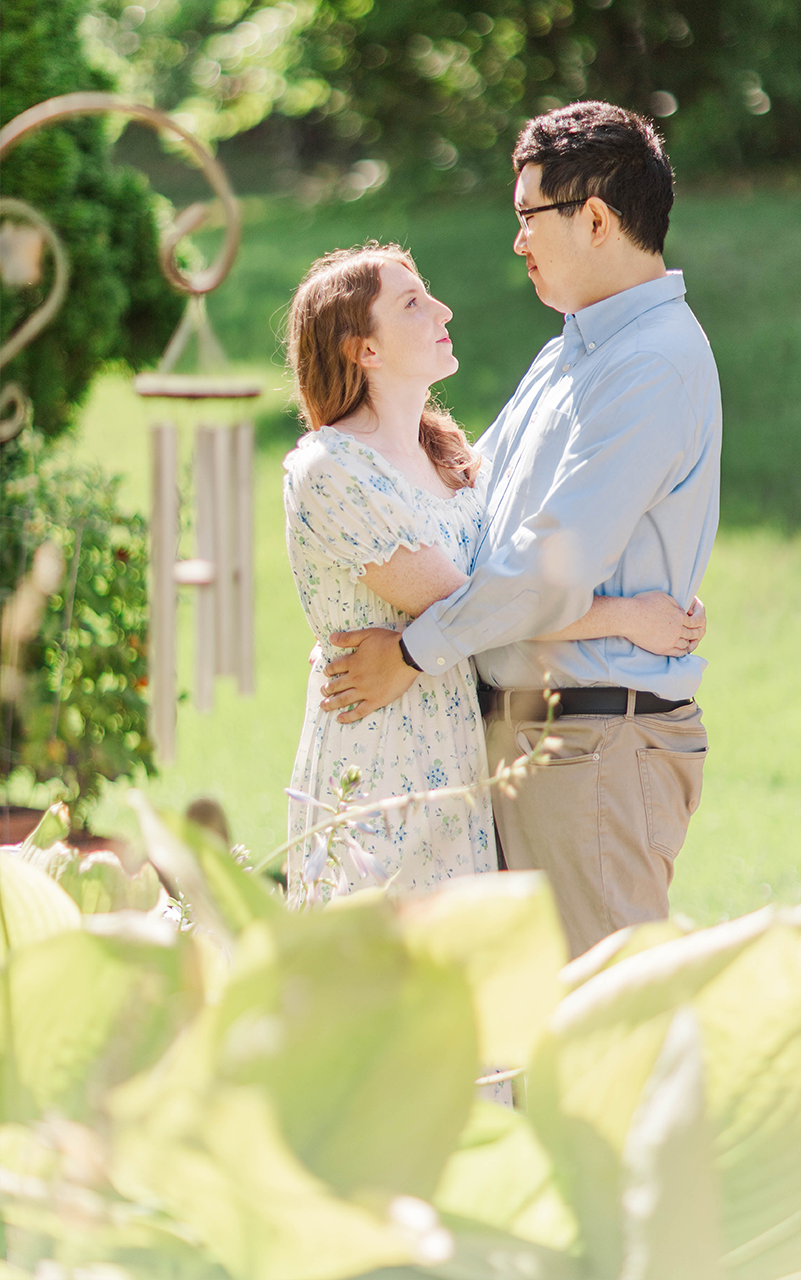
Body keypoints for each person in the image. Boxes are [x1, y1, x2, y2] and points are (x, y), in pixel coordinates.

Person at [314, 102, 721, 959]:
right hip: (528, 741)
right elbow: (477, 523)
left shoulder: (652, 365)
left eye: (528, 215)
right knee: (533, 1048)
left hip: (592, 749)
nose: (517, 240)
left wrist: (416, 649)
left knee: (608, 1043)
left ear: (598, 219)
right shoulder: (572, 352)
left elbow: (544, 569)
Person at [282, 241, 703, 905]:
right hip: (383, 754)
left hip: (458, 750)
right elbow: (470, 604)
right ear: (364, 348)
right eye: (413, 303)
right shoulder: (330, 471)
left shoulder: (448, 453)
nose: (442, 309)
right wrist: (630, 616)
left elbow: (527, 563)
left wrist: (667, 591)